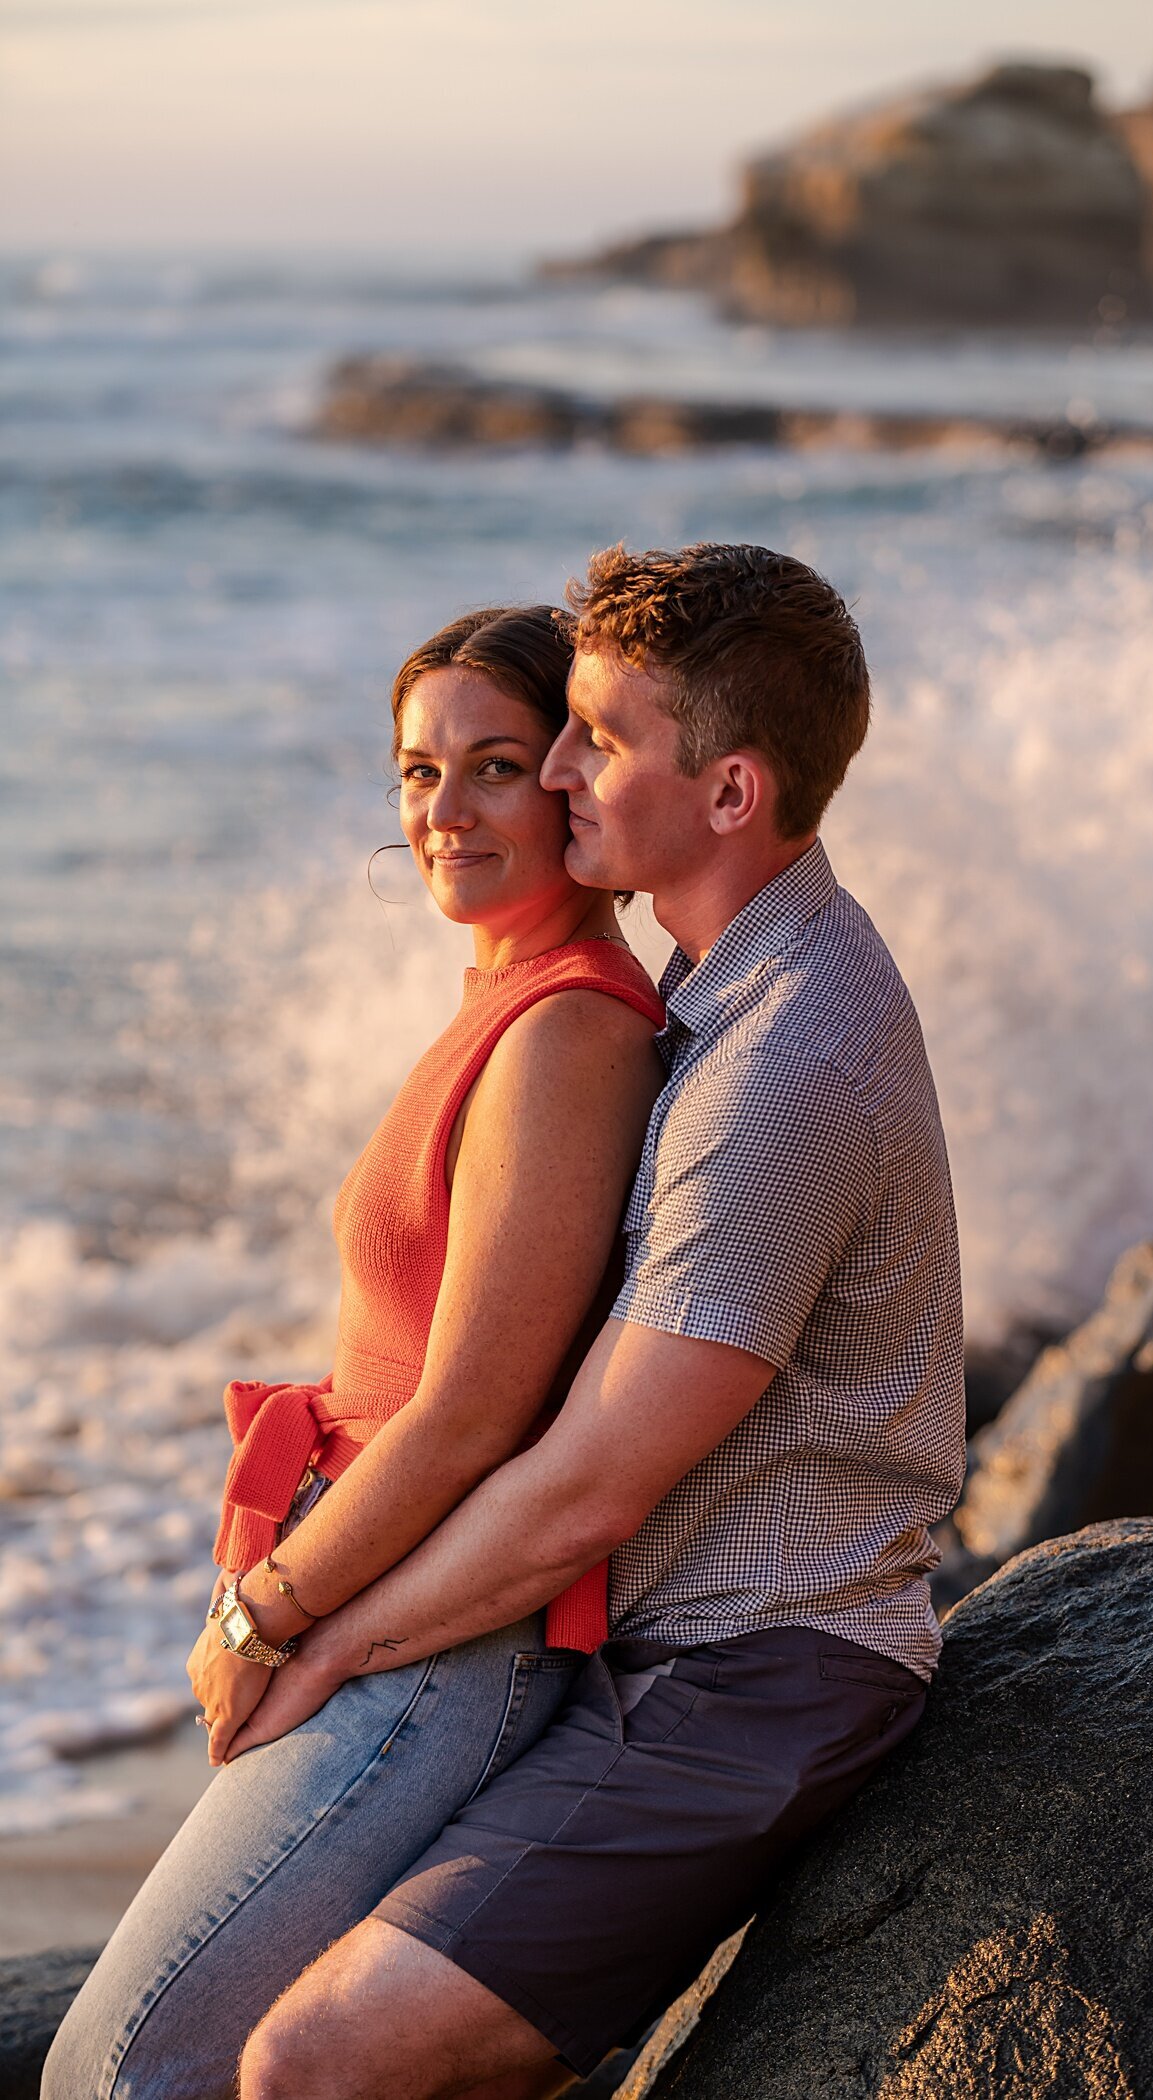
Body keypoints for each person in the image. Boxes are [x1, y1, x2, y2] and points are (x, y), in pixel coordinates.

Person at [228, 541, 967, 2100]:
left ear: (729, 795)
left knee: (310, 2061)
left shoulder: (785, 1066)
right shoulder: (727, 986)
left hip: (747, 1678)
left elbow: (590, 1484)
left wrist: (309, 1641)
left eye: (598, 739)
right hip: (657, 1655)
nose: (555, 772)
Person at [42, 605, 666, 2100]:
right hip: (378, 1596)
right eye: (416, 772)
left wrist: (265, 1617)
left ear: (575, 778)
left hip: (431, 1635)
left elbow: (466, 1419)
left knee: (128, 2071)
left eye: (494, 765)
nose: (443, 813)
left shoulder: (571, 1032)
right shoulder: (507, 1000)